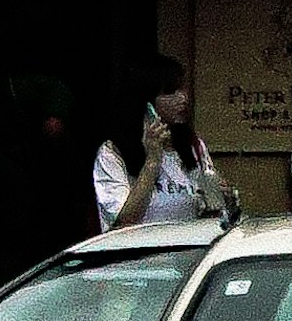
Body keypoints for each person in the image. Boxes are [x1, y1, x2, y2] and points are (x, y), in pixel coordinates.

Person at [90, 59, 228, 232]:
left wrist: (218, 198)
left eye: (182, 89)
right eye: (170, 92)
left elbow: (207, 215)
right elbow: (124, 221)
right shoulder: (113, 153)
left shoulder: (192, 146)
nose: (182, 98)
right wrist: (152, 161)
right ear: (146, 102)